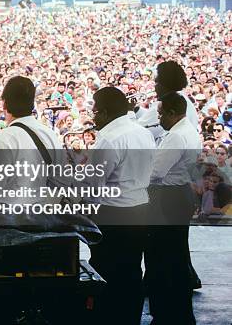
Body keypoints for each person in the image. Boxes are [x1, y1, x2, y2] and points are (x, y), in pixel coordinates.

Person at [85, 87, 156, 325]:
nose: (92, 117)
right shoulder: (142, 132)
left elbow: (94, 186)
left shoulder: (108, 139)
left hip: (112, 214)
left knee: (106, 271)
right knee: (132, 271)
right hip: (140, 208)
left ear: (104, 113)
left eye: (94, 111)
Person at [145, 93, 201, 324]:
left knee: (162, 257)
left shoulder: (176, 137)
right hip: (180, 195)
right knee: (176, 256)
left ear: (171, 113)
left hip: (167, 197)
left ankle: (167, 311)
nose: (159, 120)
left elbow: (155, 173)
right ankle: (179, 311)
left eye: (160, 114)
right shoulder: (189, 130)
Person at [138, 61, 198, 143]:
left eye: (156, 83)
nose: (154, 87)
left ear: (163, 85)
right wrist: (138, 110)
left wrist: (130, 112)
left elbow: (139, 130)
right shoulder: (185, 101)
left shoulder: (165, 104)